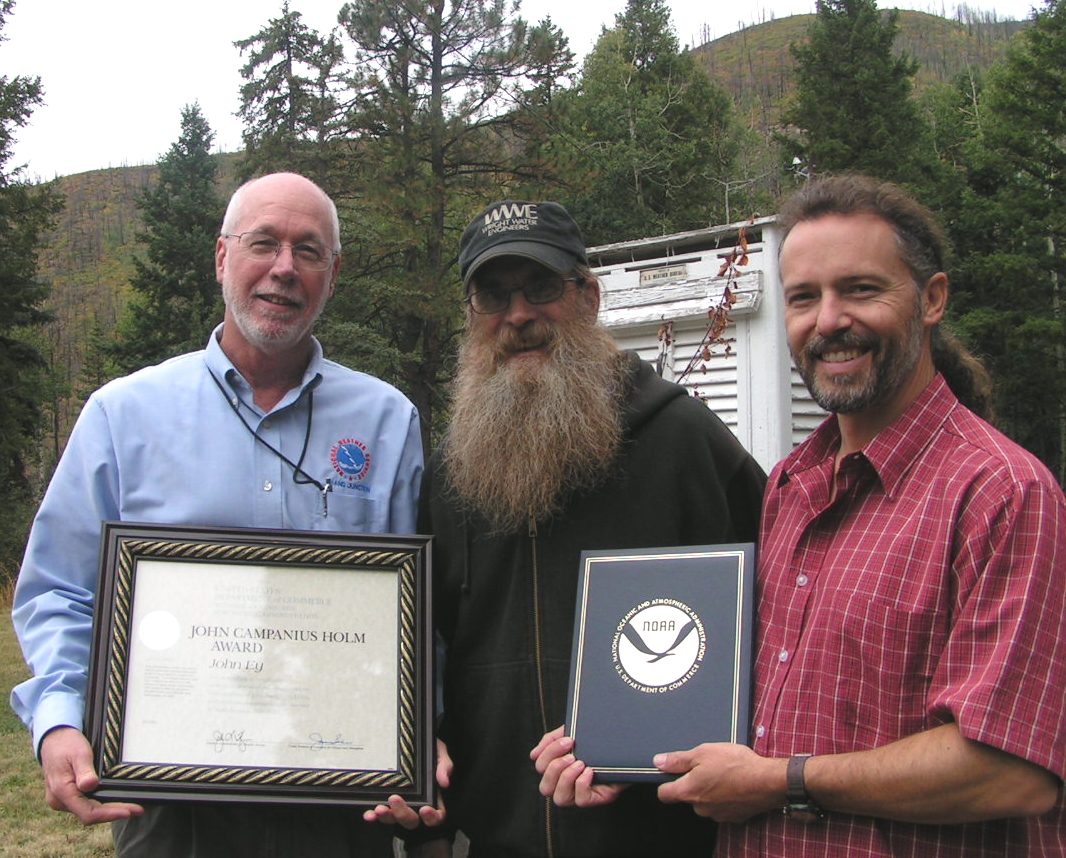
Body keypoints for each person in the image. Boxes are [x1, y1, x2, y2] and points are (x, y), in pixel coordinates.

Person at [537, 174, 1065, 856]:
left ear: (931, 299)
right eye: (804, 298)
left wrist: (780, 782)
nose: (829, 320)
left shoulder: (1002, 493)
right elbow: (750, 708)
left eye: (862, 289)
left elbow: (1008, 772)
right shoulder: (790, 484)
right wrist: (618, 747)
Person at [10, 172, 424, 858]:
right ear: (222, 258)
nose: (285, 268)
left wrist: (418, 730)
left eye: (309, 250)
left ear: (334, 272)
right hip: (170, 808)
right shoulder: (123, 416)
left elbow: (421, 612)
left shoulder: (387, 422)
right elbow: (60, 588)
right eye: (264, 242)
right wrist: (58, 723)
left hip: (341, 807)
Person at [384, 199, 766, 857]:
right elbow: (425, 646)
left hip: (663, 835)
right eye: (493, 296)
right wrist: (416, 745)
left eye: (541, 287)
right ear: (472, 315)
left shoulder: (682, 440)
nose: (519, 315)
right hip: (502, 836)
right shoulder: (454, 471)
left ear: (587, 296)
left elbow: (777, 620)